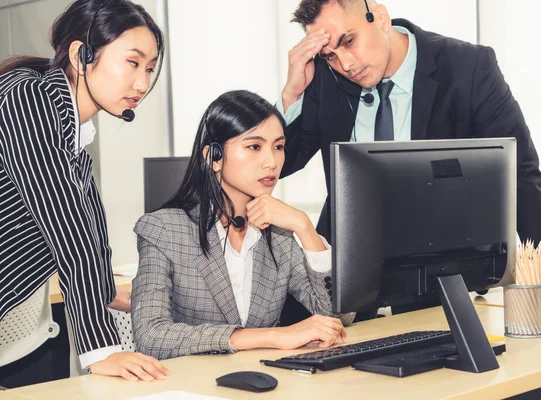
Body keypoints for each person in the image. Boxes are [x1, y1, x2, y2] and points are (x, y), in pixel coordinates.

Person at [276, 0, 541, 324]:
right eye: (329, 55)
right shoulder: (323, 80)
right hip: (342, 292)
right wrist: (292, 93)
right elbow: (278, 164)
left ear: (382, 18)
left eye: (349, 41)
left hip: (436, 291)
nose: (345, 63)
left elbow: (520, 173)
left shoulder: (467, 68)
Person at [0, 0, 169, 383]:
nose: (142, 83)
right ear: (82, 55)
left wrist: (105, 291)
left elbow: (86, 213)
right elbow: (67, 225)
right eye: (132, 62)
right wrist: (102, 349)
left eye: (150, 68)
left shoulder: (67, 127)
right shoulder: (31, 100)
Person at [131, 90, 354, 360]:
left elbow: (338, 314)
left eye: (279, 147)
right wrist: (273, 336)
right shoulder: (164, 229)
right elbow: (150, 334)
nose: (272, 162)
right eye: (254, 147)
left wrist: (304, 227)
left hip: (266, 382)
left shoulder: (279, 232)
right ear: (213, 157)